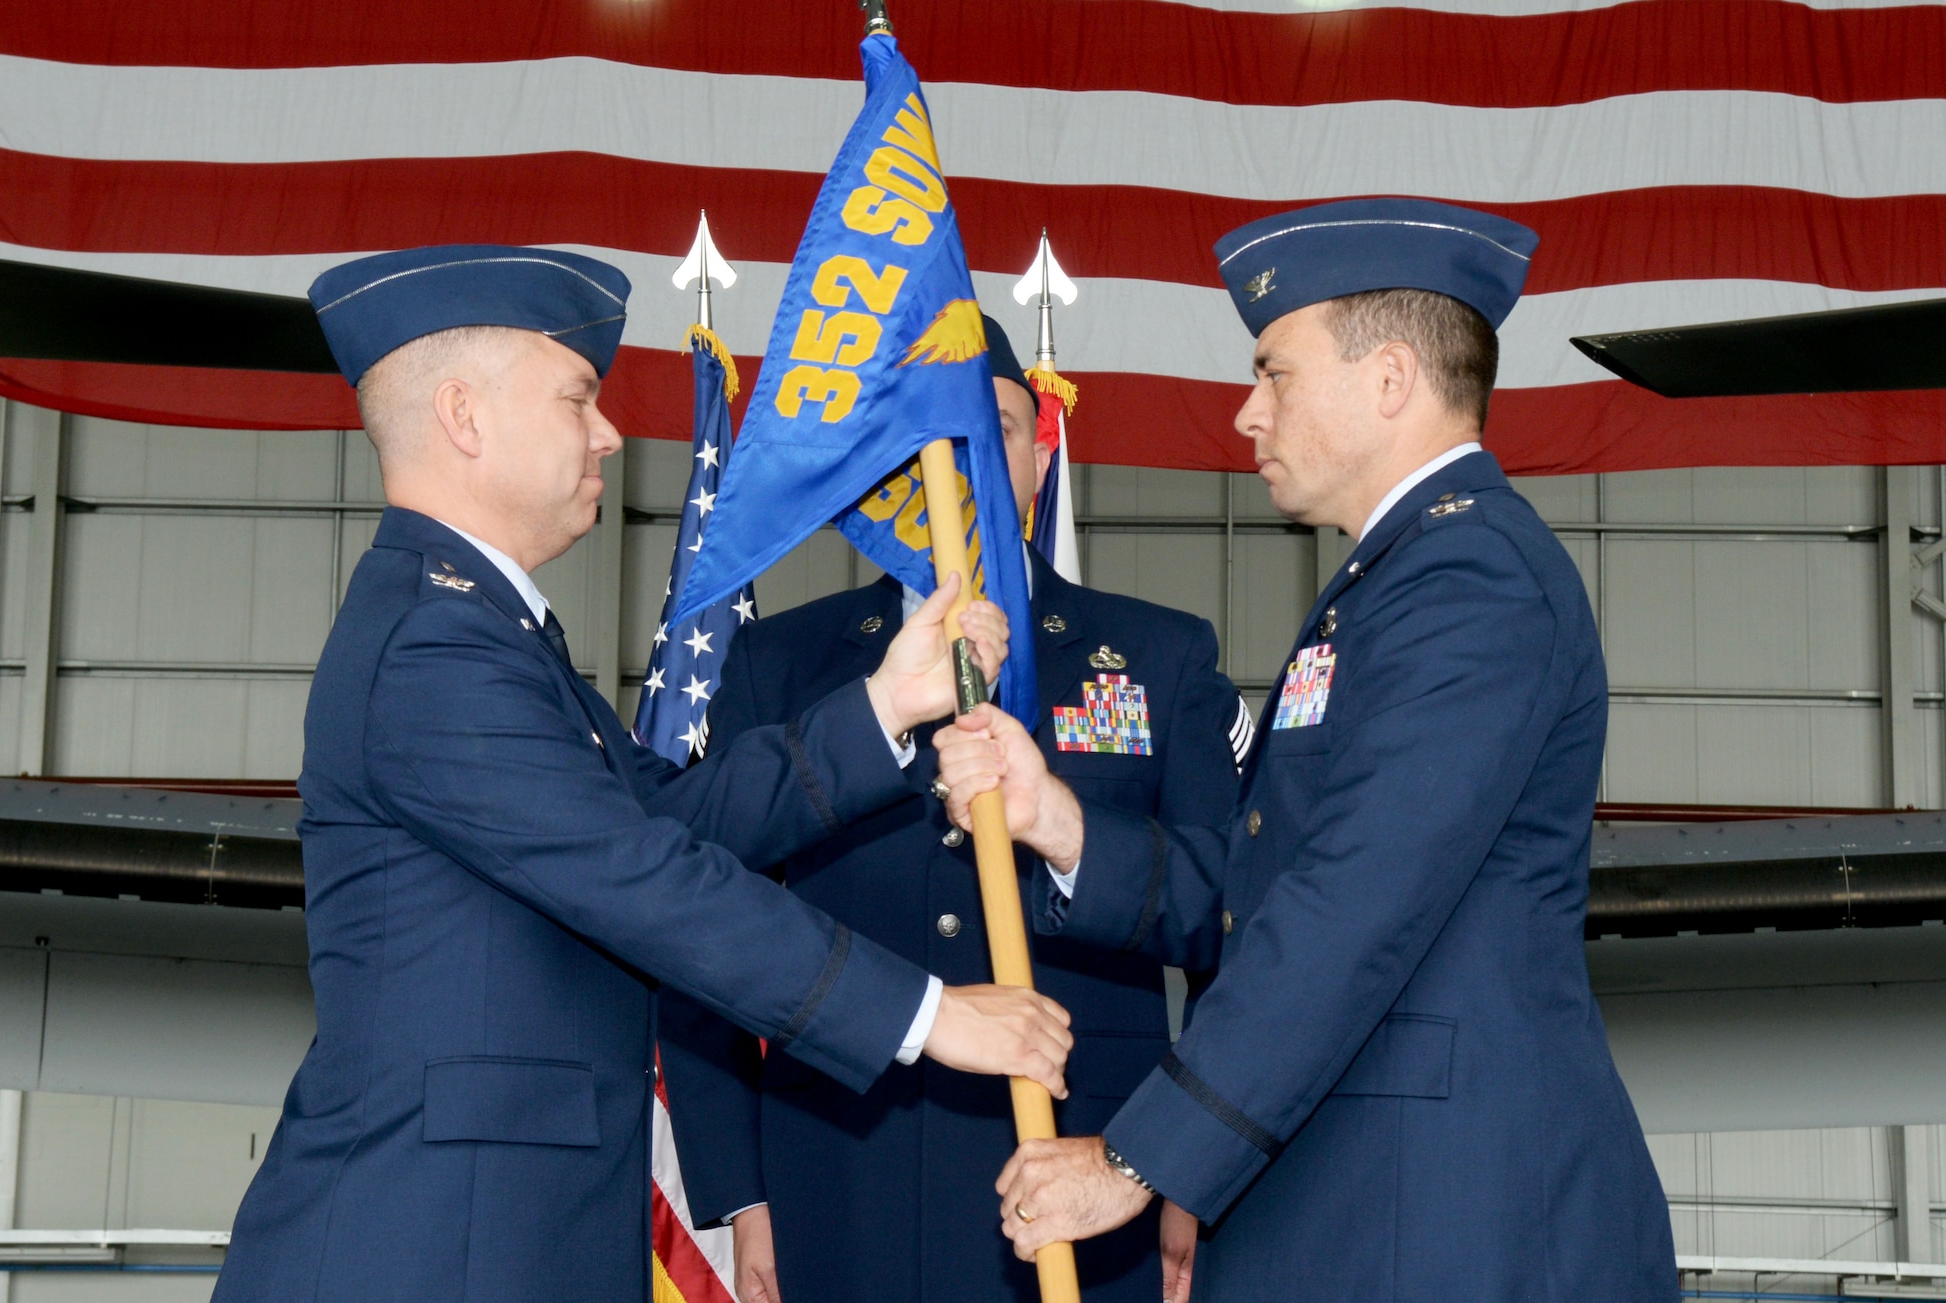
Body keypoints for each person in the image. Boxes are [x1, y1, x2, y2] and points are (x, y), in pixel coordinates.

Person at [213, 246, 1074, 1303]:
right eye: (577, 396)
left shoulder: (481, 629)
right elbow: (644, 880)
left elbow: (668, 821)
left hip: (499, 1233)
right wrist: (929, 1016)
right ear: (463, 417)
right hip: (435, 1245)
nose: (609, 430)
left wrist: (884, 705)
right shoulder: (435, 647)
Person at [933, 201, 1678, 1301]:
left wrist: (1139, 1157)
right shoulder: (1391, 585)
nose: (1245, 412)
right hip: (1364, 1205)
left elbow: (1354, 901)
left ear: (1387, 381)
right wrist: (1057, 819)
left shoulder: (1470, 583)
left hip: (1441, 1221)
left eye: (1273, 372)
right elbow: (1266, 889)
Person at [658, 315, 1246, 1303]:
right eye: (937, 436)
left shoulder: (1155, 656)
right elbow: (695, 922)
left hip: (1084, 1180)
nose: (970, 460)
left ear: (1037, 452)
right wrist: (738, 1187)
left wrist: (1184, 1163)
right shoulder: (779, 667)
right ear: (887, 462)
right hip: (835, 1178)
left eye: (1001, 428)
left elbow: (1228, 933)